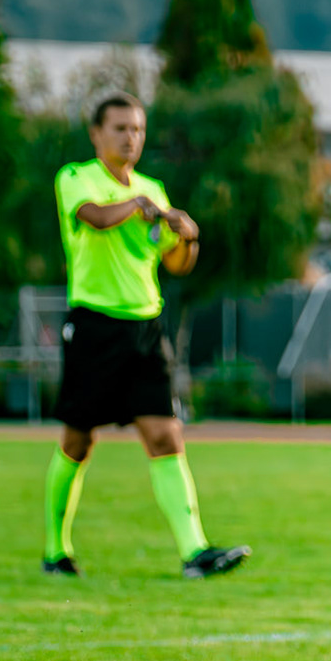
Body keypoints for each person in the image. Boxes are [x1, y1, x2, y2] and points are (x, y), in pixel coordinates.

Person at [41, 93, 250, 580]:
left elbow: (174, 262)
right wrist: (137, 206)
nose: (130, 137)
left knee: (165, 434)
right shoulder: (76, 177)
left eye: (137, 129)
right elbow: (93, 217)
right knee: (78, 441)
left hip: (145, 327)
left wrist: (187, 235)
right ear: (96, 134)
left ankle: (195, 551)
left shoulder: (154, 188)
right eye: (119, 128)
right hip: (94, 325)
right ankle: (56, 550)